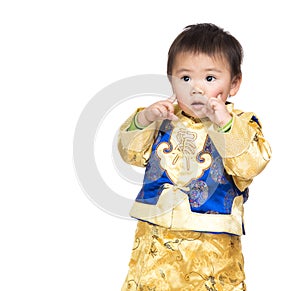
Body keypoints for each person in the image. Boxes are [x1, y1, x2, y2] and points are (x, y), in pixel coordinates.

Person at [118, 23, 271, 291]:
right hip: (156, 237)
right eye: (185, 78)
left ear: (234, 84)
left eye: (210, 79)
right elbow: (129, 153)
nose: (196, 88)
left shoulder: (241, 125)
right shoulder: (163, 118)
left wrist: (224, 122)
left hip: (212, 243)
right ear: (172, 81)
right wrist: (144, 119)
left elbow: (251, 163)